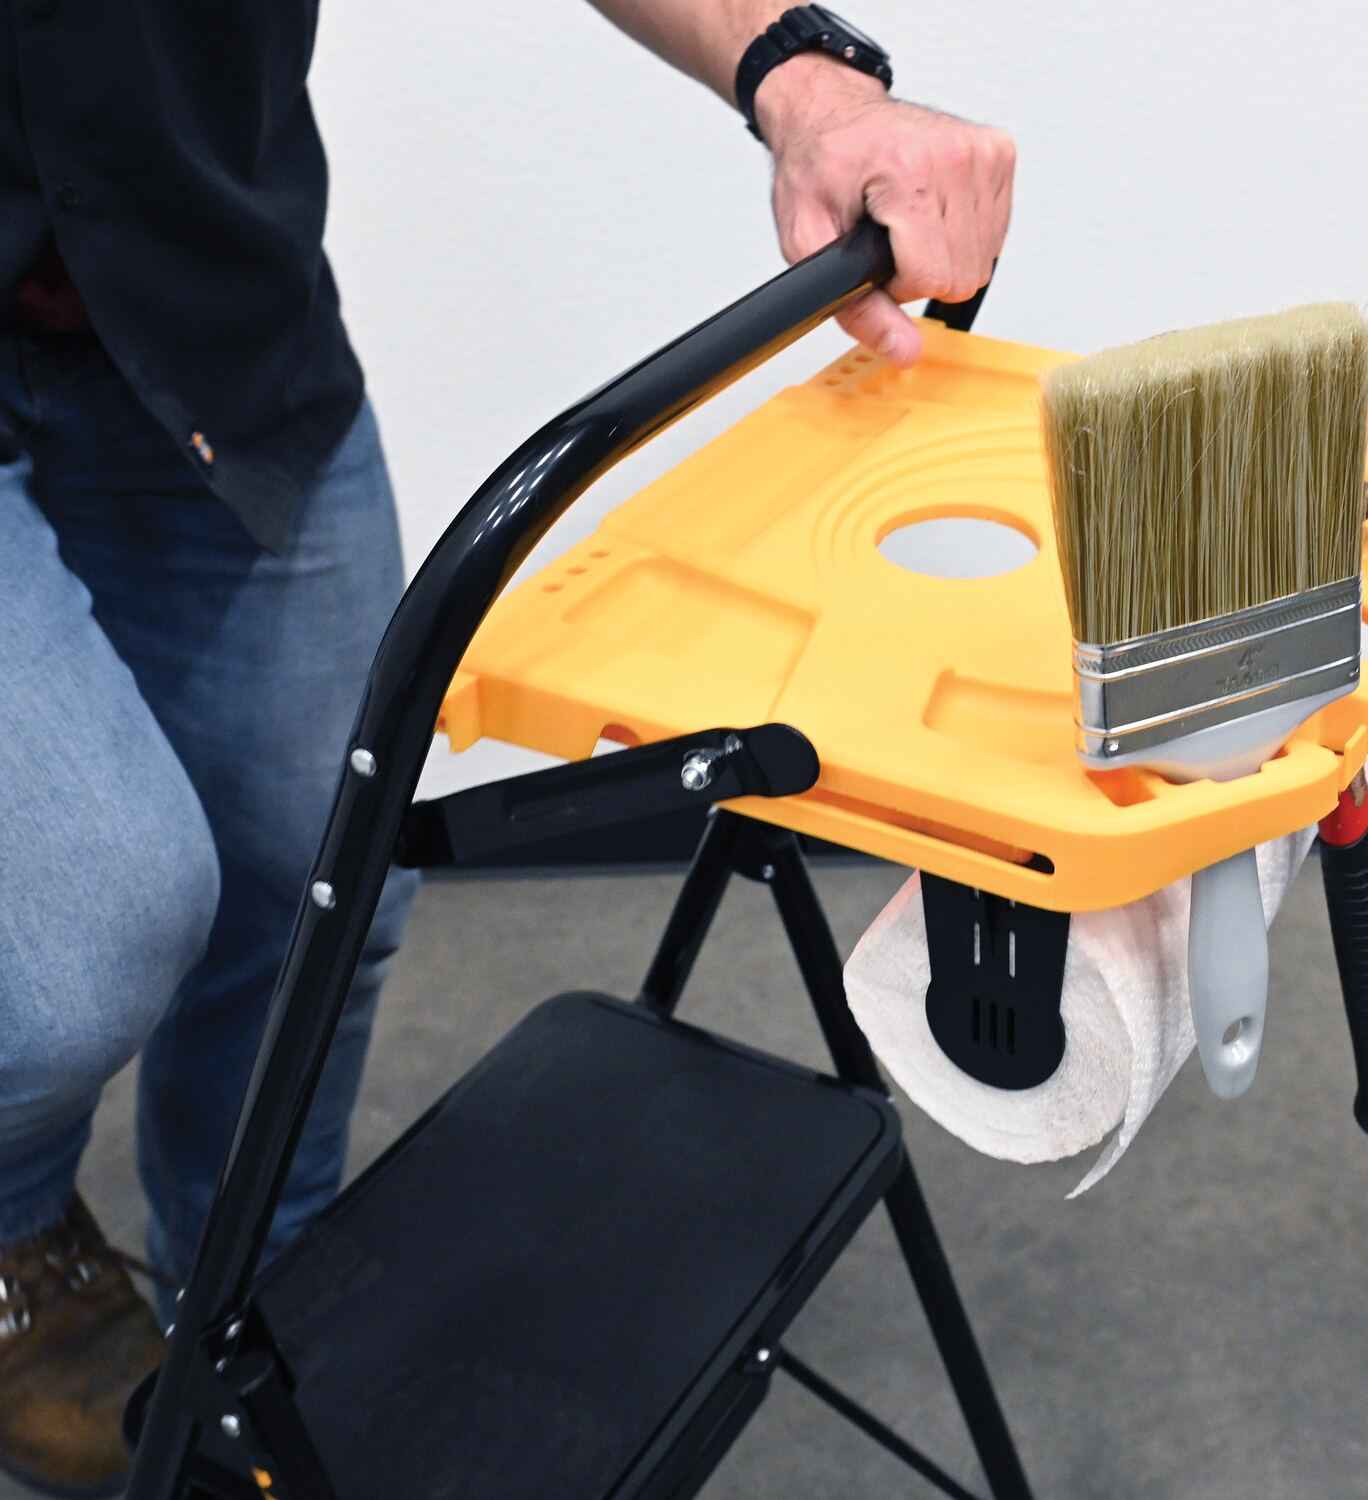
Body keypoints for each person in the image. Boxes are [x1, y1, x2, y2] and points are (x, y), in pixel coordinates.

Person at [0, 2, 1015, 1493]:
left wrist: (801, 77)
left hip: (197, 309)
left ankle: (253, 1294)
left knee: (322, 866)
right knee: (85, 948)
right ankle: (17, 1229)